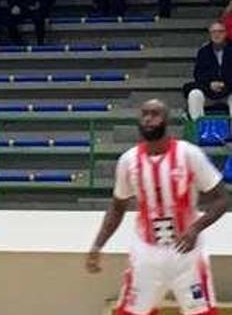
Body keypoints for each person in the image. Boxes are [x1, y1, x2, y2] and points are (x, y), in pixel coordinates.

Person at [86, 99, 228, 315]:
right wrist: (97, 246)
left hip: (186, 254)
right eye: (144, 114)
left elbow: (222, 198)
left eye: (155, 114)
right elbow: (117, 207)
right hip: (147, 253)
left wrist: (195, 229)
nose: (149, 119)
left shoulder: (189, 154)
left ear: (166, 120)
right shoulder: (128, 160)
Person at [183, 21, 232, 120]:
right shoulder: (203, 52)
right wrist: (210, 84)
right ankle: (198, 130)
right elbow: (198, 74)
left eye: (220, 31)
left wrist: (224, 83)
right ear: (210, 34)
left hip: (229, 89)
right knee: (194, 94)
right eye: (214, 32)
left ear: (226, 33)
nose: (217, 34)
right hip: (208, 90)